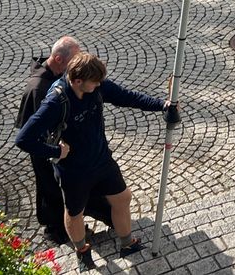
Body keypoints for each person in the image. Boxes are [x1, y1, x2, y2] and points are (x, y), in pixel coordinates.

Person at [15, 52, 174, 267]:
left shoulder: (97, 86)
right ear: (78, 81)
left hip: (102, 161)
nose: (99, 85)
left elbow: (127, 97)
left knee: (122, 198)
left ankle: (127, 243)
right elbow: (24, 139)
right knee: (74, 212)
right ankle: (82, 251)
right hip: (73, 171)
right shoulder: (56, 102)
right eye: (95, 82)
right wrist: (55, 152)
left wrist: (162, 105)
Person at [16, 37, 89, 244]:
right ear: (58, 58)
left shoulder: (57, 74)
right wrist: (54, 151)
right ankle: (57, 229)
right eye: (73, 60)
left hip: (58, 147)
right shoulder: (39, 88)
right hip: (45, 149)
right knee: (51, 188)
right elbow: (33, 131)